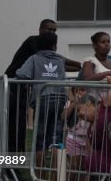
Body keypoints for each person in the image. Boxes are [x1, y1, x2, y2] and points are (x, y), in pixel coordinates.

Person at [5, 19, 80, 154]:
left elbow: (56, 62)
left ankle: (21, 154)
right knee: (14, 123)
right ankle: (14, 155)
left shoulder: (47, 57)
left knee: (36, 132)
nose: (51, 32)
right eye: (49, 30)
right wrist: (79, 63)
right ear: (40, 30)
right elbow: (53, 59)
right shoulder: (34, 42)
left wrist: (79, 65)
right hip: (12, 86)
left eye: (54, 31)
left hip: (32, 91)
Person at [16, 32, 69, 160]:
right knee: (56, 139)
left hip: (43, 100)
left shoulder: (34, 58)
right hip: (59, 100)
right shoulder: (60, 61)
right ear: (54, 46)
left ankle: (39, 175)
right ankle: (56, 176)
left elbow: (21, 74)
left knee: (40, 140)